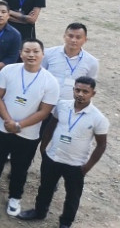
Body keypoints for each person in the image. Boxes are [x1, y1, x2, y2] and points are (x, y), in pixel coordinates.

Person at [0, 40, 60, 218]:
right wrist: (8, 120)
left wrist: (19, 125)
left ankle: (15, 197)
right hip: (1, 127)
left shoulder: (51, 81)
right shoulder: (9, 70)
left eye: (36, 51)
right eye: (27, 51)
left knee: (21, 166)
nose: (31, 55)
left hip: (28, 134)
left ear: (42, 55)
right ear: (21, 53)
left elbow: (45, 111)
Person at [17, 76, 108, 226]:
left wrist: (87, 167)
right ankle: (39, 212)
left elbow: (101, 145)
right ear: (73, 90)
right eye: (77, 90)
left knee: (72, 195)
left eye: (85, 91)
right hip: (53, 157)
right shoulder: (62, 105)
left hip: (76, 164)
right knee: (45, 187)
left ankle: (66, 222)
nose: (80, 94)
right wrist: (43, 148)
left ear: (93, 93)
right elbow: (51, 126)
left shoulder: (98, 118)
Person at [42, 23, 99, 94]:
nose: (73, 40)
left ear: (85, 40)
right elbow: (40, 76)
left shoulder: (92, 62)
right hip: (47, 100)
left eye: (78, 37)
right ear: (64, 36)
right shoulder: (48, 54)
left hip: (72, 103)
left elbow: (89, 86)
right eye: (70, 36)